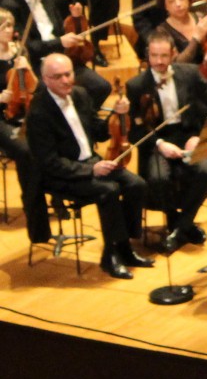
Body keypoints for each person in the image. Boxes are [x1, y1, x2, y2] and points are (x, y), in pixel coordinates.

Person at [27, 53, 149, 279]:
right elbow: (49, 162)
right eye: (58, 77)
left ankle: (125, 246)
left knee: (136, 184)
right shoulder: (38, 113)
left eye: (68, 74)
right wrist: (90, 170)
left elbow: (100, 133)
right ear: (45, 80)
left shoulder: (80, 95)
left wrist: (117, 114)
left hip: (91, 162)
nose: (65, 80)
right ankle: (110, 255)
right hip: (60, 175)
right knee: (108, 190)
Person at [126, 29, 207, 253]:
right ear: (148, 55)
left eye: (164, 56)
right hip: (157, 141)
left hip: (188, 136)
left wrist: (199, 136)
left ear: (173, 54)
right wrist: (159, 144)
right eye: (154, 56)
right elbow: (135, 133)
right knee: (158, 178)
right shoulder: (136, 86)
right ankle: (179, 223)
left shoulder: (190, 74)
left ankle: (181, 226)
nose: (158, 61)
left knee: (206, 170)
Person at [1, 0, 111, 109]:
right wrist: (59, 42)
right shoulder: (10, 5)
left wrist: (75, 18)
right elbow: (25, 47)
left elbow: (61, 29)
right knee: (70, 95)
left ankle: (79, 118)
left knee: (102, 87)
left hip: (62, 59)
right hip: (38, 67)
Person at [0, 7, 50, 243]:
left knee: (51, 140)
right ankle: (36, 218)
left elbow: (38, 89)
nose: (9, 31)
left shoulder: (20, 52)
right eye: (3, 27)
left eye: (10, 26)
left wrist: (28, 69)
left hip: (26, 113)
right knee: (26, 152)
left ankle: (55, 198)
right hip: (2, 119)